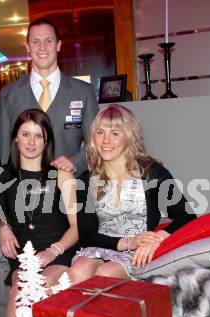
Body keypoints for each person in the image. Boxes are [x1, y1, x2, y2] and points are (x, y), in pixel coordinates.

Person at [69, 104, 196, 283]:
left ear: (129, 137)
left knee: (107, 273)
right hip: (104, 246)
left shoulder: (152, 173)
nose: (105, 141)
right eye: (100, 132)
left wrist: (157, 239)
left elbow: (187, 216)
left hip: (139, 251)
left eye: (114, 133)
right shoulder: (85, 181)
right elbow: (87, 235)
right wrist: (128, 242)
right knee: (78, 271)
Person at [0, 108, 78, 317]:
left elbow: (76, 227)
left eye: (38, 135)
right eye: (25, 134)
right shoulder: (3, 176)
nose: (31, 142)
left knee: (41, 283)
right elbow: (0, 209)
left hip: (57, 252)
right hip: (23, 256)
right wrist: (4, 227)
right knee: (21, 286)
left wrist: (53, 252)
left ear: (46, 140)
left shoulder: (60, 173)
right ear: (15, 137)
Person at [0, 17, 99, 176]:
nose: (42, 47)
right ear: (27, 46)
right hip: (23, 191)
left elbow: (96, 144)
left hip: (69, 190)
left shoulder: (83, 92)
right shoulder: (9, 95)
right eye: (36, 41)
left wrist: (75, 163)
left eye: (48, 41)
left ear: (58, 45)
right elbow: (4, 152)